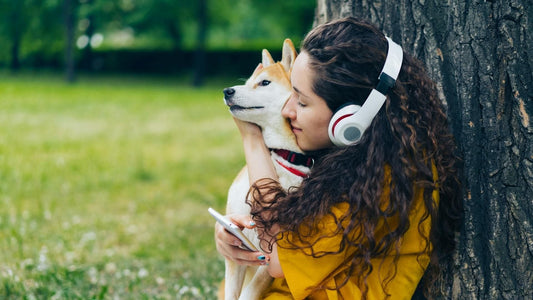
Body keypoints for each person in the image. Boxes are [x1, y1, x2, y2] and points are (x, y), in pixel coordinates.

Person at [215, 17, 462, 299]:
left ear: (349, 119)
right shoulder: (347, 159)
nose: (288, 111)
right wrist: (234, 237)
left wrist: (252, 141)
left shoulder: (384, 180)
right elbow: (286, 231)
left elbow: (279, 256)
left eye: (302, 102)